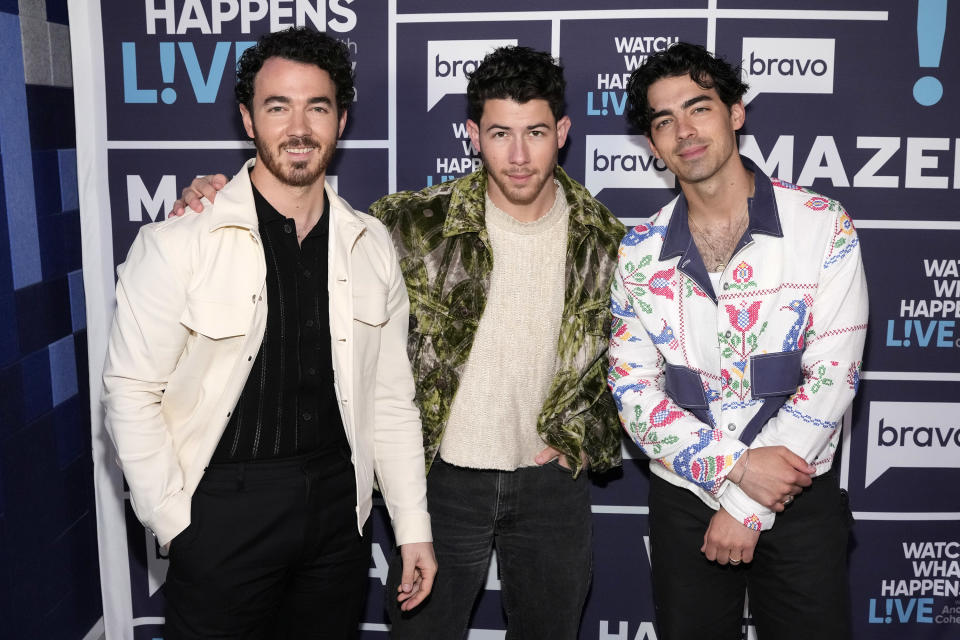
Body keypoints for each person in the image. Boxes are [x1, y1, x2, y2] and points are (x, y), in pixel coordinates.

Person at [174, 45, 625, 639]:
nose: (518, 155)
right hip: (442, 479)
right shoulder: (411, 224)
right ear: (472, 134)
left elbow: (634, 360)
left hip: (550, 487)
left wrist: (582, 437)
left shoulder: (606, 238)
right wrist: (212, 200)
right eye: (500, 133)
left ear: (562, 132)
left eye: (536, 132)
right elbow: (304, 213)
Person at [102, 27, 435, 640]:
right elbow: (129, 393)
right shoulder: (179, 243)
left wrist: (412, 526)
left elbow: (391, 400)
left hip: (339, 512)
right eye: (277, 106)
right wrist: (177, 522)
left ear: (341, 119)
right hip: (223, 509)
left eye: (318, 106)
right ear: (248, 119)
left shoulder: (372, 246)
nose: (299, 126)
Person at [608, 42, 867, 639]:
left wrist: (746, 508)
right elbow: (633, 392)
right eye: (663, 120)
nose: (684, 131)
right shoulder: (639, 252)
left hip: (799, 495)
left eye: (698, 108)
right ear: (652, 143)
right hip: (687, 497)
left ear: (736, 112)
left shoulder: (822, 224)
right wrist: (735, 472)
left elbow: (832, 378)